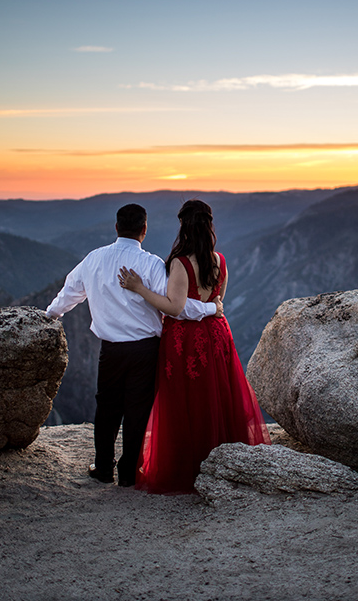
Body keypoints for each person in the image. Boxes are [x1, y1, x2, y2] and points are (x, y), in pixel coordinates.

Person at [45, 204, 223, 488]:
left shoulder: (94, 259)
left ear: (116, 228)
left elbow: (69, 294)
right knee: (137, 411)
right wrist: (210, 309)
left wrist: (49, 316)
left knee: (106, 408)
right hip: (145, 350)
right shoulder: (151, 264)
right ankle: (128, 472)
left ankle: (103, 467)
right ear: (144, 229)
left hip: (111, 349)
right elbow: (176, 306)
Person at [119, 199, 270, 494]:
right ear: (209, 226)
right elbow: (217, 302)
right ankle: (225, 460)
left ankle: (189, 466)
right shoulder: (219, 260)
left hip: (184, 340)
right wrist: (209, 309)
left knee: (185, 401)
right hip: (216, 336)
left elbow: (174, 307)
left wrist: (140, 289)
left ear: (183, 226)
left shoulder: (181, 262)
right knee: (218, 396)